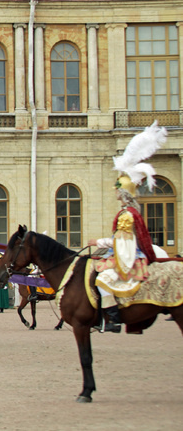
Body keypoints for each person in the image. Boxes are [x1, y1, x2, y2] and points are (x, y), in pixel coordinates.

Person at [89, 122, 167, 333]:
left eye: (117, 191)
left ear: (123, 194)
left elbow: (122, 242)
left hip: (130, 259)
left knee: (102, 280)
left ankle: (113, 320)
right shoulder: (130, 213)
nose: (115, 194)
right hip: (129, 254)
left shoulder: (126, 215)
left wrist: (98, 242)